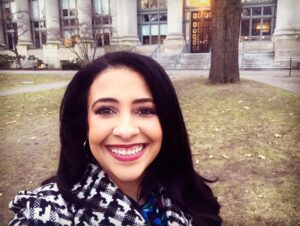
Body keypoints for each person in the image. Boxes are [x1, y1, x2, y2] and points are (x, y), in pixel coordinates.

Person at [9, 51, 222, 225]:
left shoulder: (191, 197)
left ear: (167, 122)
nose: (126, 130)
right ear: (84, 125)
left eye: (145, 110)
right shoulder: (47, 212)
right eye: (105, 110)